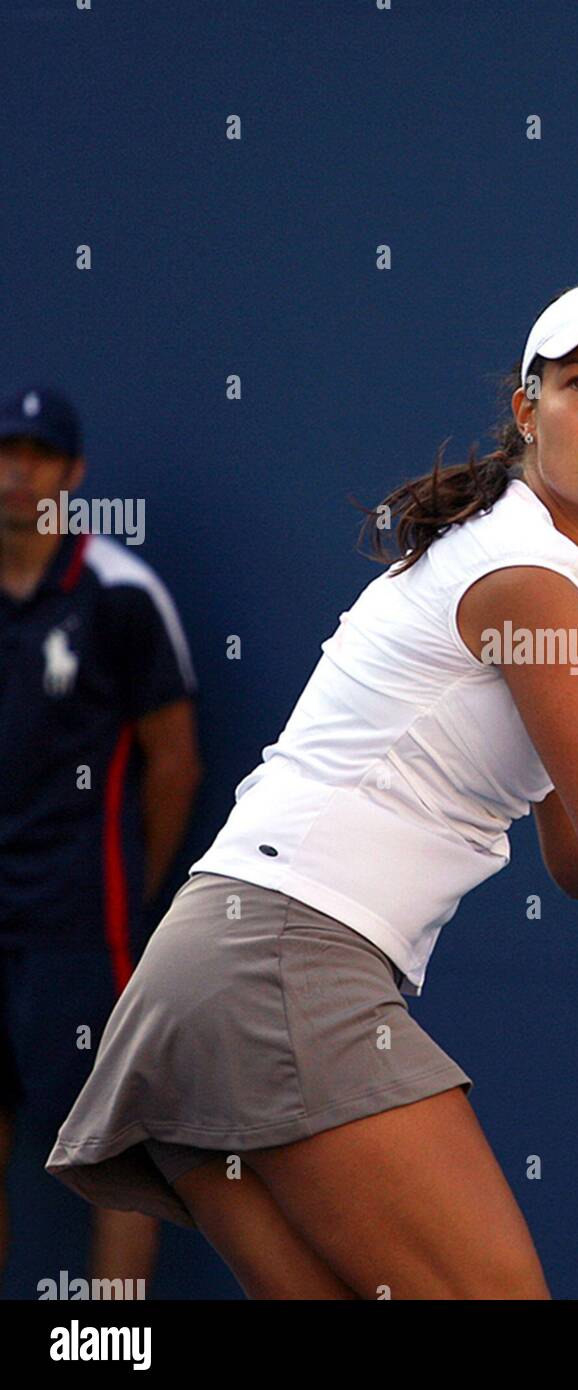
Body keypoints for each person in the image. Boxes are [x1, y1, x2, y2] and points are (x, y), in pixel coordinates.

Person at [45, 277, 578, 1300]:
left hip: (213, 976)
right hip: (283, 965)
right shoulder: (524, 576)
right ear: (527, 409)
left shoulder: (571, 590)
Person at [0, 385, 202, 1293]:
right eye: (6, 452)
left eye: (39, 456)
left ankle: (111, 1346)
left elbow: (175, 764)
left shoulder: (120, 595)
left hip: (84, 921)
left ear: (73, 475)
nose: (17, 474)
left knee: (110, 1151)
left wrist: (129, 888)